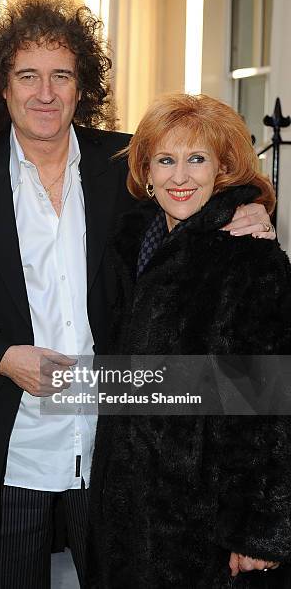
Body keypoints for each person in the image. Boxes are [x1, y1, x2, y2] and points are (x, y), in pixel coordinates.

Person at [0, 0, 274, 589]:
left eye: (61, 75)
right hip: (7, 448)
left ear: (81, 85)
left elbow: (192, 187)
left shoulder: (122, 163)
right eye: (28, 75)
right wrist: (1, 359)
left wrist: (248, 209)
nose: (45, 92)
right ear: (2, 86)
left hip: (114, 450)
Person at [86, 93, 291, 588]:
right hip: (125, 503)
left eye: (196, 159)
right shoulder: (130, 246)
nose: (180, 177)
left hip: (204, 520)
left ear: (222, 169)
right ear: (147, 173)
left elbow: (271, 409)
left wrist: (260, 530)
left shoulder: (250, 260)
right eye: (166, 160)